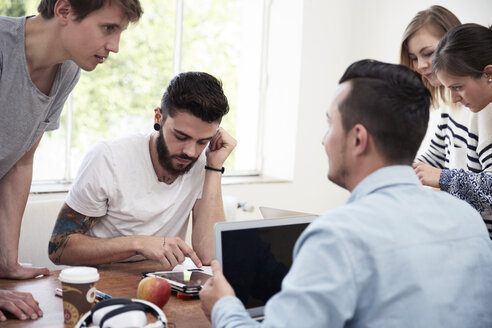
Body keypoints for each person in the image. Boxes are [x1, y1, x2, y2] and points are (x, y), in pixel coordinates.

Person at [199, 60, 492, 327]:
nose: (324, 140)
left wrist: (224, 306)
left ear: (358, 138)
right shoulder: (468, 220)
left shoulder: (338, 236)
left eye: (330, 124)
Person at [0, 0, 142, 322]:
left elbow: (19, 164)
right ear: (64, 10)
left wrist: (7, 262)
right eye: (108, 28)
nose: (115, 47)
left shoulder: (67, 71)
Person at [48, 71, 236, 270]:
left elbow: (210, 256)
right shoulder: (108, 157)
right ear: (159, 117)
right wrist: (139, 243)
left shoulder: (201, 164)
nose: (190, 151)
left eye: (202, 142)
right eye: (181, 136)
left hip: (164, 283)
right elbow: (59, 248)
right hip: (103, 282)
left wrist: (214, 167)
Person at [399, 6, 492, 237]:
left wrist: (441, 178)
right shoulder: (450, 107)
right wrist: (398, 173)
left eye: (428, 53)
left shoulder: (483, 107)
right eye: (413, 58)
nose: (420, 65)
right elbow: (433, 157)